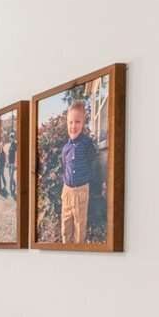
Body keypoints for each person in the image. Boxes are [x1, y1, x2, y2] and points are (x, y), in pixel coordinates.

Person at [60, 100, 97, 243]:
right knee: (65, 227)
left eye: (77, 122)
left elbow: (92, 161)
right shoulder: (65, 149)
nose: (73, 126)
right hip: (67, 191)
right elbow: (65, 167)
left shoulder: (87, 144)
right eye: (70, 122)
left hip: (81, 191)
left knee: (79, 228)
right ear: (67, 124)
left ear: (83, 123)